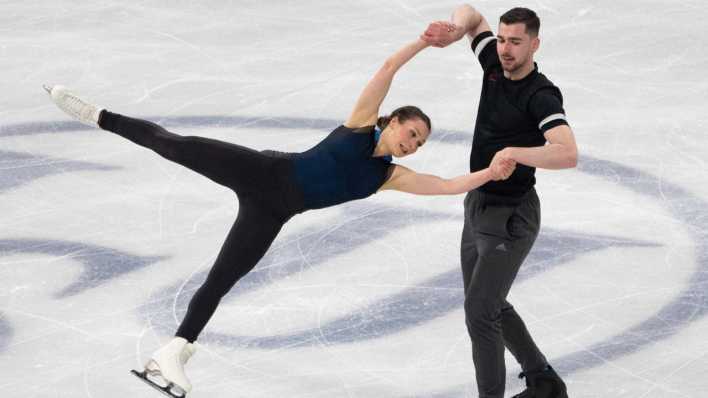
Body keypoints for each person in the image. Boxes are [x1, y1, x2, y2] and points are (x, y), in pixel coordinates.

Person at [45, 33, 515, 397]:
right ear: (391, 121)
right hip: (262, 170)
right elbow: (388, 67)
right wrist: (424, 43)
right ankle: (97, 115)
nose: (411, 144)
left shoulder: (388, 177)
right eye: (409, 132)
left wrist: (490, 173)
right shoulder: (357, 125)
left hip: (271, 212)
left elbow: (449, 185)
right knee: (174, 145)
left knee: (221, 280)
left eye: (418, 142)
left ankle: (173, 351)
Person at [421, 5, 577, 398]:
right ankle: (544, 380)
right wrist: (458, 30)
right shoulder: (494, 63)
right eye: (503, 39)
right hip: (477, 204)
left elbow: (567, 152)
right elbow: (471, 15)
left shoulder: (540, 95)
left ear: (535, 44)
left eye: (516, 42)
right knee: (486, 302)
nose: (505, 49)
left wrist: (516, 152)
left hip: (512, 216)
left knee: (480, 311)